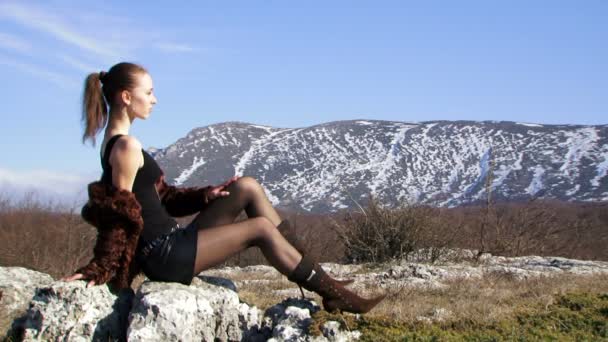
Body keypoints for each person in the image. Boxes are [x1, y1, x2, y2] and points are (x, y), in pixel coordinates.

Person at [61, 62, 385, 314]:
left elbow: (164, 199)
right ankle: (335, 295)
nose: (155, 99)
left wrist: (207, 196)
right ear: (126, 97)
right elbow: (119, 219)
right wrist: (100, 268)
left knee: (246, 187)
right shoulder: (126, 148)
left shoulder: (119, 144)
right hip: (164, 256)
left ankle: (321, 275)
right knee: (259, 228)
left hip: (174, 240)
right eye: (149, 92)